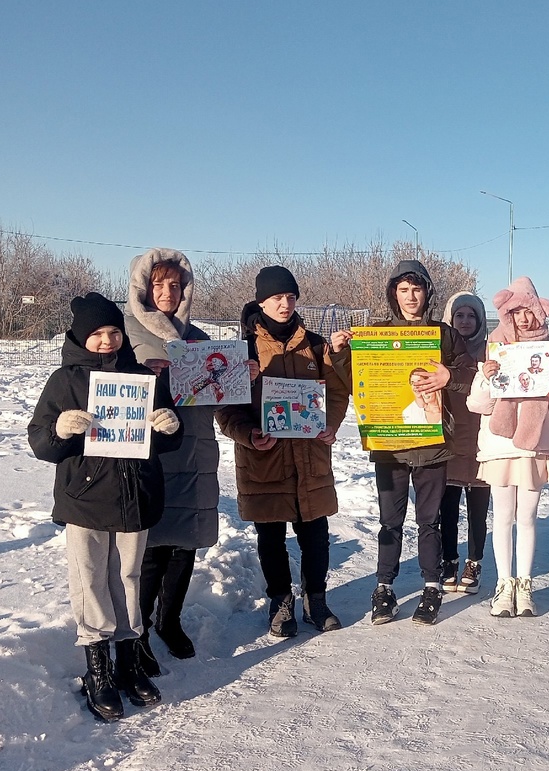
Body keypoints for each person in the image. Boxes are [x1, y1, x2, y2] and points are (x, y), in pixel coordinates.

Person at [28, 292, 182, 722]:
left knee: (129, 578)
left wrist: (169, 425)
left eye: (113, 331)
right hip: (86, 500)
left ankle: (130, 662)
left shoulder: (141, 377)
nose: (107, 340)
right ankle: (98, 670)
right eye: (97, 334)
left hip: (136, 497)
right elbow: (40, 440)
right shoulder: (65, 381)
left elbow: (169, 437)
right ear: (81, 337)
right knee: (91, 577)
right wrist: (59, 430)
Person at [216, 266, 352, 638]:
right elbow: (225, 409)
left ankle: (316, 599)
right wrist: (248, 434)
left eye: (291, 297)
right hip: (265, 457)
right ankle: (280, 600)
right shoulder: (242, 350)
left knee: (315, 532)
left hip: (310, 457)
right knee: (271, 535)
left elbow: (338, 390)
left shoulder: (315, 344)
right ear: (261, 301)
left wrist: (331, 424)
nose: (285, 304)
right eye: (277, 297)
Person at [124, 248, 232, 674]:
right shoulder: (126, 334)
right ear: (142, 288)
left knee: (185, 543)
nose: (168, 292)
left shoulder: (199, 340)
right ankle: (140, 631)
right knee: (151, 547)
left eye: (175, 285)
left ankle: (169, 620)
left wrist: (241, 378)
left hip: (196, 448)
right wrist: (142, 375)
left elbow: (221, 397)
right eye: (158, 284)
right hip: (151, 452)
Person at [364, 260, 474, 626]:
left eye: (417, 289)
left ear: (427, 293)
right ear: (394, 294)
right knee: (389, 521)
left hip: (431, 443)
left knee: (430, 521)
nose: (411, 297)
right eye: (403, 290)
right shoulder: (376, 335)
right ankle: (384, 587)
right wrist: (337, 351)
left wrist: (450, 375)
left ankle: (431, 585)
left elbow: (472, 376)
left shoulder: (443, 334)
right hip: (390, 444)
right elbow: (350, 376)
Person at [467, 277, 549, 618]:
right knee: (502, 518)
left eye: (529, 312)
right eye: (517, 313)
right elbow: (477, 404)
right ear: (506, 316)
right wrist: (486, 376)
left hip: (533, 446)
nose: (524, 319)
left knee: (527, 517)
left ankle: (524, 584)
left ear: (539, 314)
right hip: (500, 445)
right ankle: (504, 584)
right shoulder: (493, 351)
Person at [439, 290, 491, 594]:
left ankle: (475, 561)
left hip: (483, 439)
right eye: (459, 315)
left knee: (478, 509)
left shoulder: (493, 352)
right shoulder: (440, 350)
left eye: (472, 315)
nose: (466, 321)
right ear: (451, 318)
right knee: (447, 507)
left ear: (480, 320)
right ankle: (449, 560)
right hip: (450, 438)